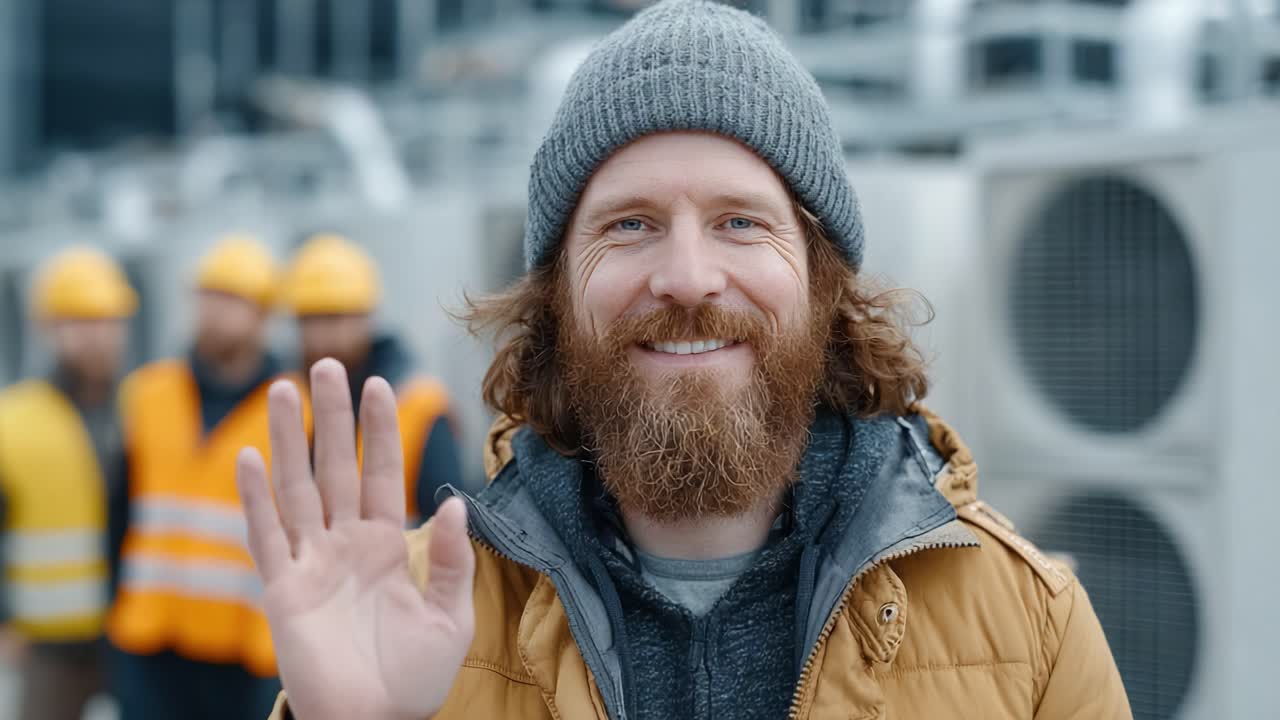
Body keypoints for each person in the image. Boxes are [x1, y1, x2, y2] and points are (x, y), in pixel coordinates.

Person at [239, 2, 1133, 719]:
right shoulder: (419, 622)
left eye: (741, 222)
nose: (687, 278)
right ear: (556, 295)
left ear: (823, 284)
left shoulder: (1035, 631)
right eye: (629, 225)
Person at [107, 235, 286, 720]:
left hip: (246, 648)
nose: (214, 312)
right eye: (208, 297)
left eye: (232, 300)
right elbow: (119, 508)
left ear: (263, 314)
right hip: (152, 638)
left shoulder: (295, 408)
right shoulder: (147, 393)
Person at [0, 247, 135, 720]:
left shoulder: (146, 407)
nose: (96, 337)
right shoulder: (12, 419)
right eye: (79, 322)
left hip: (134, 633)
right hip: (46, 643)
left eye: (107, 321)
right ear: (49, 328)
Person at [280, 233, 464, 524]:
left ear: (366, 317)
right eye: (310, 319)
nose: (322, 335)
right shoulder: (285, 399)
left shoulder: (420, 405)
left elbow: (449, 521)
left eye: (335, 317)